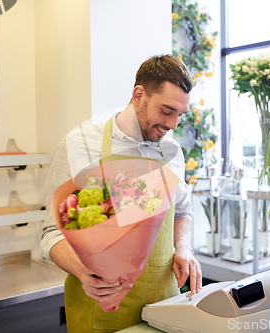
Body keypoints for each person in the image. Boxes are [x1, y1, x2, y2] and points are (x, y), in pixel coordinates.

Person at [40, 54, 202, 332]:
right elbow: (52, 234)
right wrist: (83, 272)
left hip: (164, 307)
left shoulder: (171, 151)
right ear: (139, 94)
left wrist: (183, 247)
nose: (174, 124)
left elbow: (183, 212)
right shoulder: (81, 144)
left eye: (180, 114)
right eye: (166, 111)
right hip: (101, 310)